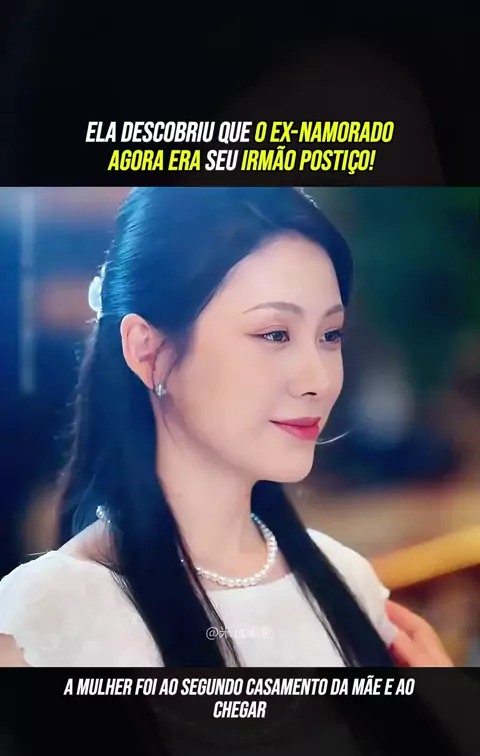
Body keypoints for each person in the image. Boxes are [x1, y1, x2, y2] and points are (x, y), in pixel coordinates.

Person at [0, 187, 452, 667]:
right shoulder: (50, 616)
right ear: (149, 351)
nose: (318, 381)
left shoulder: (347, 582)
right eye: (274, 334)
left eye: (329, 335)